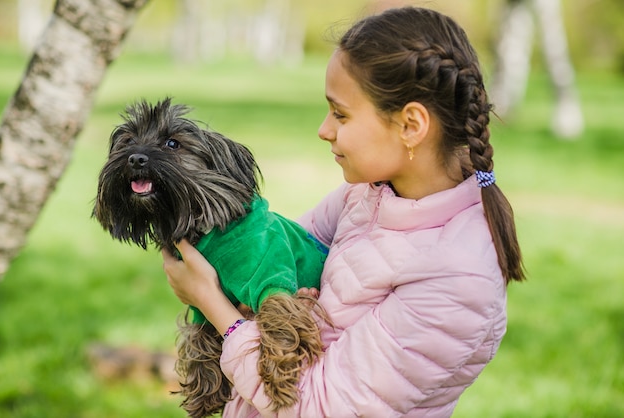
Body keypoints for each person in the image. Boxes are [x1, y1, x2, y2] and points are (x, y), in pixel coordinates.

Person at [163, 6, 525, 418]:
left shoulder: (459, 280)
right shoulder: (370, 195)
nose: (324, 129)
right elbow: (272, 254)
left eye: (340, 114)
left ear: (411, 125)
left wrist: (212, 302)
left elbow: (315, 408)